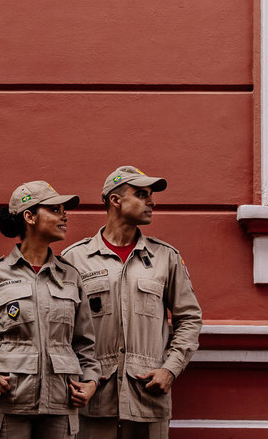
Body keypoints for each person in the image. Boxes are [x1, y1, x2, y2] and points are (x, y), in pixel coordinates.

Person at [61, 166, 202, 439]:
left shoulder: (166, 257)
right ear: (116, 200)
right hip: (92, 400)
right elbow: (61, 327)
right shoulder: (74, 259)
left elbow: (189, 318)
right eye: (141, 194)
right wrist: (76, 376)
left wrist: (170, 370)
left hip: (147, 397)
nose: (151, 202)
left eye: (151, 195)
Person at [0, 180, 102, 438]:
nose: (64, 215)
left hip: (61, 405)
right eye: (55, 210)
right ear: (29, 216)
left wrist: (90, 381)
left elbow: (84, 342)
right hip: (11, 404)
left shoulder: (70, 276)